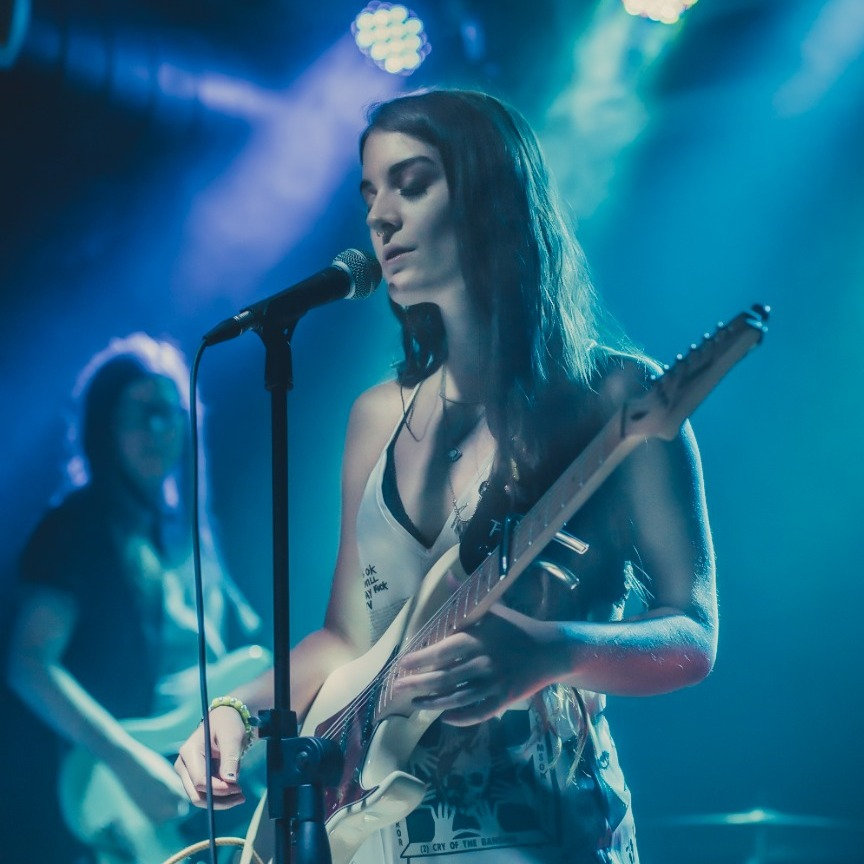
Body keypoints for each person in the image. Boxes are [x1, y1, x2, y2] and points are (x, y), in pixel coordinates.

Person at [174, 89, 717, 864]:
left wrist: (553, 652)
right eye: (370, 194)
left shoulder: (616, 397)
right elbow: (346, 640)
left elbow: (692, 634)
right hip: (370, 844)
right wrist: (236, 709)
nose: (380, 217)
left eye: (412, 184)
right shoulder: (375, 417)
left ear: (492, 195)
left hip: (548, 836)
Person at [7, 333, 264, 864]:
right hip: (118, 779)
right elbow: (28, 662)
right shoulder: (76, 528)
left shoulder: (182, 530)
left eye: (168, 413)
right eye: (138, 414)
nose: (157, 429)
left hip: (200, 781)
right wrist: (127, 762)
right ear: (104, 427)